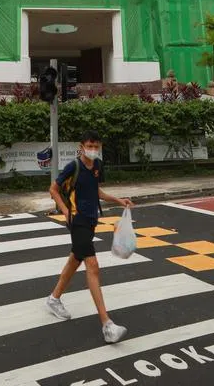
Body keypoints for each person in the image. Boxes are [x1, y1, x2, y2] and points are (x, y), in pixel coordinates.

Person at [45, 132, 134, 343]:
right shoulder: (73, 166)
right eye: (89, 145)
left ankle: (53, 298)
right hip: (77, 221)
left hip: (91, 220)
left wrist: (119, 200)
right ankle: (107, 325)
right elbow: (53, 189)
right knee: (92, 266)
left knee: (75, 259)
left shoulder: (97, 166)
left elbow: (97, 192)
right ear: (81, 146)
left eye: (96, 145)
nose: (93, 149)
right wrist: (65, 211)